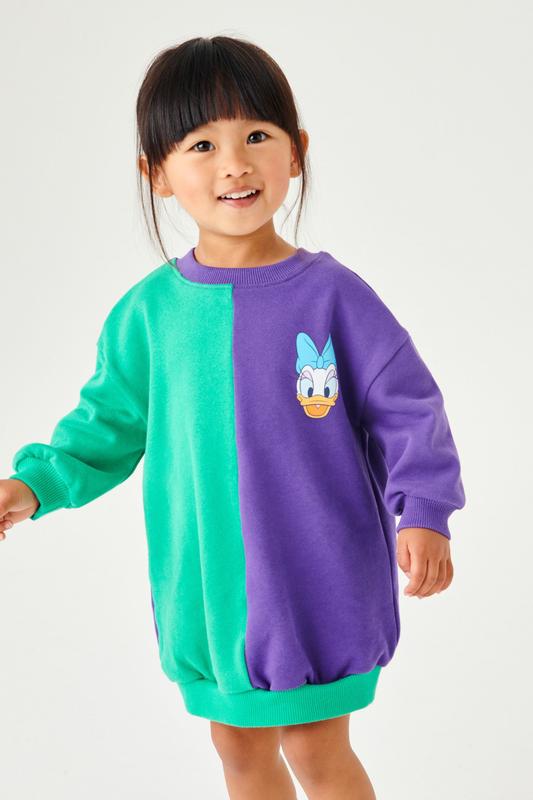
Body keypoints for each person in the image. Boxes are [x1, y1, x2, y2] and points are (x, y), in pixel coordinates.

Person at [0, 35, 466, 800]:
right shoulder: (148, 314)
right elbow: (106, 424)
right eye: (201, 145)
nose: (233, 164)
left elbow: (407, 406)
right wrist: (32, 487)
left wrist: (424, 511)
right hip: (208, 587)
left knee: (316, 747)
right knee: (238, 750)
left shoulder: (333, 297)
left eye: (256, 136)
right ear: (156, 173)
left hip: (316, 578)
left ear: (296, 152)